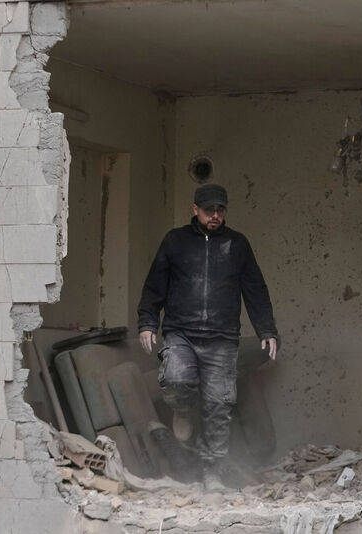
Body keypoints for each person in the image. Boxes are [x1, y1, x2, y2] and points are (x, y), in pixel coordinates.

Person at [137, 183, 278, 490]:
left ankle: (212, 473)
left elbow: (255, 288)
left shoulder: (237, 244)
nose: (215, 215)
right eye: (209, 210)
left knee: (218, 406)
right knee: (176, 376)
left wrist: (266, 329)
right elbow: (154, 285)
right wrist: (147, 322)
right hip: (181, 332)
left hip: (222, 337)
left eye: (221, 210)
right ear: (195, 209)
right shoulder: (175, 241)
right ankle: (183, 409)